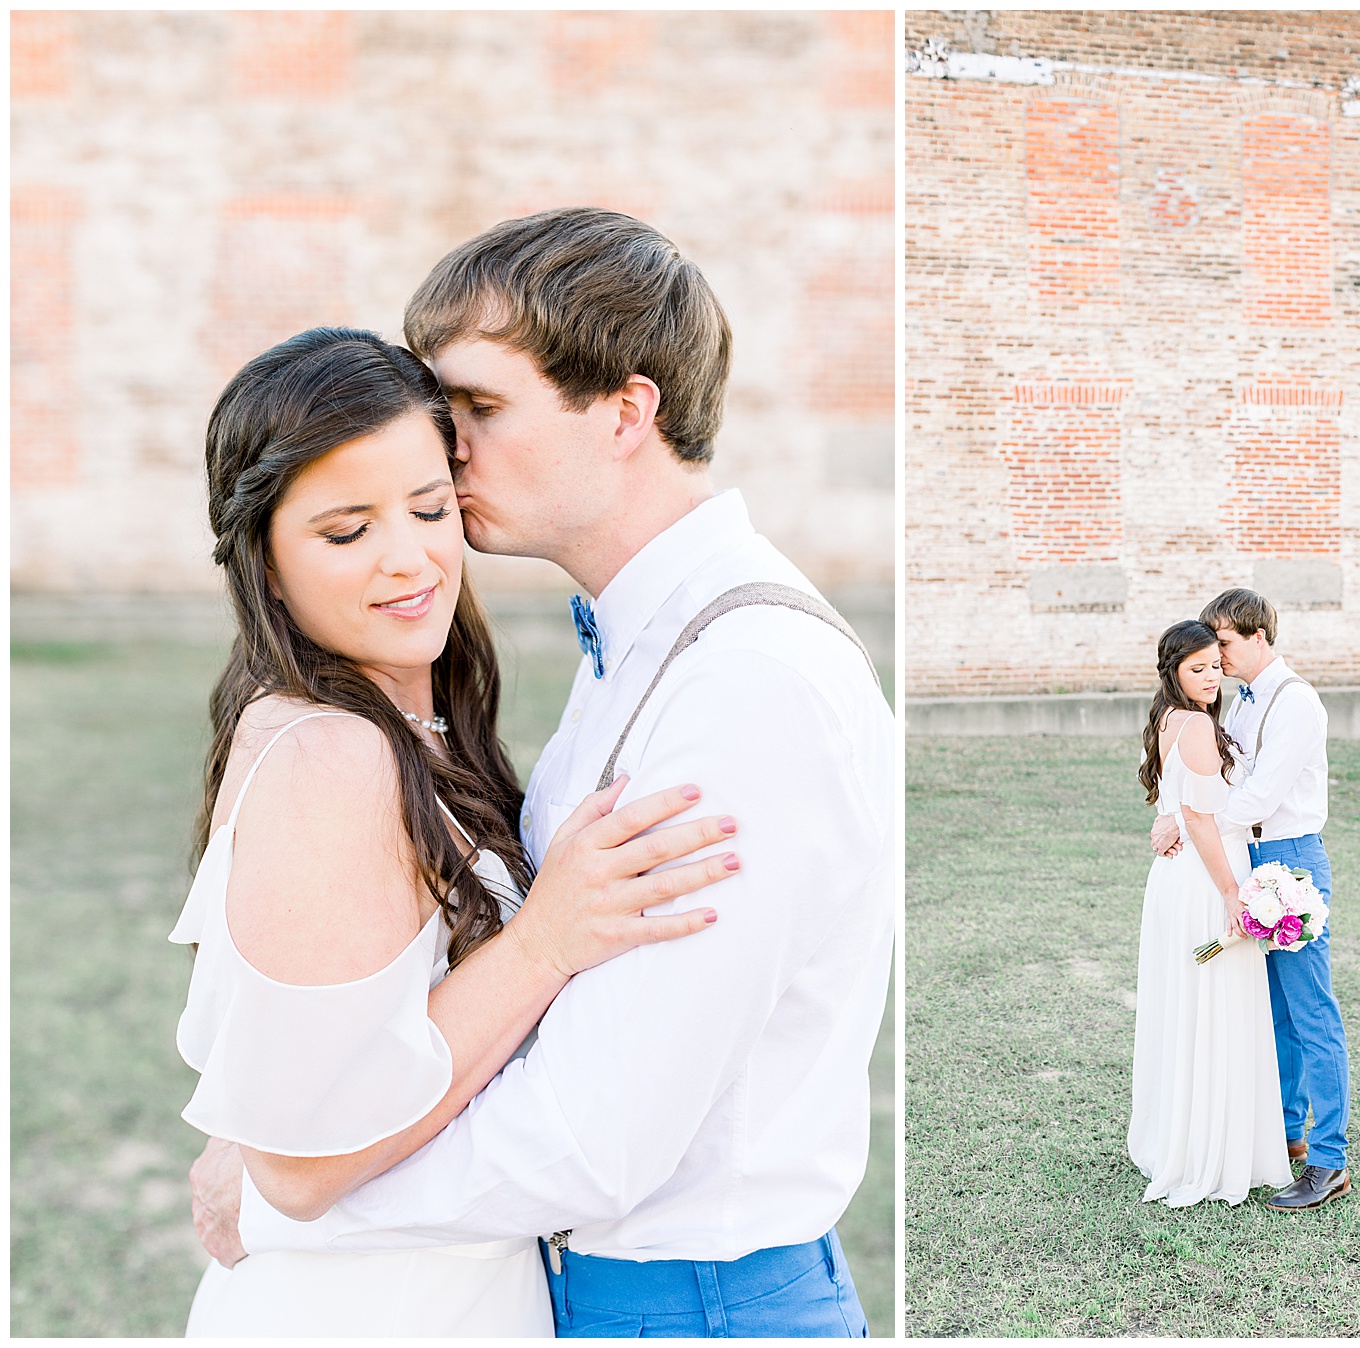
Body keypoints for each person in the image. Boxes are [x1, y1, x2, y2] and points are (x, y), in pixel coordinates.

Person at [188, 209, 894, 1337]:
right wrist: (285, 1110)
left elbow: (597, 1131)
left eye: (477, 408)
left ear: (626, 410)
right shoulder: (639, 648)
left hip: (691, 1306)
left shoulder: (748, 684)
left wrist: (288, 1192)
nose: (444, 446)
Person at [173, 327, 738, 1335]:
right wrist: (544, 942)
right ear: (262, 554)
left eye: (431, 508)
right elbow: (300, 1166)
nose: (410, 559)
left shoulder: (407, 721)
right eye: (346, 533)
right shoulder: (328, 752)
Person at [1150, 588, 1350, 1211]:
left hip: (1289, 856)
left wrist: (1187, 822)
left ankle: (1330, 1159)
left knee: (1310, 1009)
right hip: (1243, 858)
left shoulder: (1296, 703)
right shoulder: (1236, 702)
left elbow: (1258, 796)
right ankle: (1287, 1134)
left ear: (1258, 635)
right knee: (1272, 1011)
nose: (1219, 657)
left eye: (1226, 644)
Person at [1128, 620, 1290, 1206]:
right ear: (1174, 672)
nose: (1210, 678)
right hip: (1204, 879)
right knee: (1216, 1004)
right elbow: (1198, 820)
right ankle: (1211, 1153)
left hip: (1177, 879)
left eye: (1215, 666)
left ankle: (1186, 1137)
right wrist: (1231, 894)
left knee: (1191, 1006)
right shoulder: (1195, 724)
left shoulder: (1172, 720)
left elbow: (1183, 810)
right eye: (1197, 669)